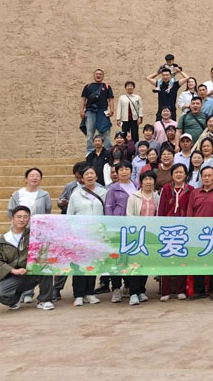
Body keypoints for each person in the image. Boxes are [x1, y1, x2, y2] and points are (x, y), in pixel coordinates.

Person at [0, 206, 55, 311]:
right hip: (14, 276)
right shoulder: (3, 240)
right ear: (12, 218)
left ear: (29, 219)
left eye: (25, 217)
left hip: (33, 273)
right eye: (19, 217)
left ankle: (45, 300)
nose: (22, 220)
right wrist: (13, 271)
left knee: (46, 267)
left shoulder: (35, 235)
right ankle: (14, 299)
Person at [67, 166, 106, 306]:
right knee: (79, 265)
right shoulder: (76, 194)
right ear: (82, 178)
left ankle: (90, 293)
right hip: (80, 235)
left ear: (96, 176)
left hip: (96, 235)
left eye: (92, 173)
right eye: (86, 174)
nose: (89, 176)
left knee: (92, 264)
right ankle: (78, 294)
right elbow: (70, 214)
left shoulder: (103, 193)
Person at [186, 164, 213, 300]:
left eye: (209, 176)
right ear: (201, 178)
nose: (207, 178)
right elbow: (190, 212)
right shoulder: (195, 193)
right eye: (204, 176)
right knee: (198, 260)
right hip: (197, 232)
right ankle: (199, 290)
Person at [124, 170, 158, 305]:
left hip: (150, 236)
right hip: (136, 235)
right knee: (134, 263)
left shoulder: (157, 197)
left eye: (151, 179)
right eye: (146, 179)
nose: (148, 182)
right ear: (141, 182)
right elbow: (129, 215)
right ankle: (133, 293)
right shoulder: (134, 197)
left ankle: (141, 291)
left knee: (145, 263)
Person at [156, 166, 190, 301]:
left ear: (186, 175)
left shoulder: (190, 189)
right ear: (172, 175)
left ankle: (181, 290)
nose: (178, 174)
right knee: (166, 259)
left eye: (181, 172)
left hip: (183, 229)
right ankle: (165, 291)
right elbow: (161, 209)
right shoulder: (166, 189)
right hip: (167, 229)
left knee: (182, 259)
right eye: (176, 172)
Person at [104, 160, 137, 302]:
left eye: (127, 169)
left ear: (131, 171)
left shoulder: (137, 185)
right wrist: (111, 228)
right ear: (116, 173)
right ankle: (116, 288)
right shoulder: (113, 189)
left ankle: (128, 286)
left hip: (133, 228)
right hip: (117, 228)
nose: (124, 172)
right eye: (121, 170)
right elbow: (108, 208)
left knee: (130, 257)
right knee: (116, 258)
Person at [81, 68, 115, 153]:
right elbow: (83, 99)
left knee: (105, 132)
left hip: (103, 112)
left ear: (103, 76)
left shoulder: (107, 87)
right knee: (90, 133)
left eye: (100, 74)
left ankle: (107, 151)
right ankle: (90, 152)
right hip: (90, 111)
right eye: (97, 74)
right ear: (94, 75)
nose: (98, 75)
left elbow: (111, 99)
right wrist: (81, 111)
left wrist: (112, 110)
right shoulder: (88, 86)